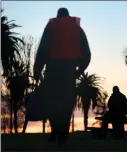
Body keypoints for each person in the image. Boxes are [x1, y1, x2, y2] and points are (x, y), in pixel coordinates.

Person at [33, 8, 91, 145]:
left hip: (53, 70)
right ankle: (63, 132)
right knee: (66, 102)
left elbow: (43, 48)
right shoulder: (77, 28)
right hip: (70, 71)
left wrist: (37, 70)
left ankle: (55, 131)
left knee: (52, 101)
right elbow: (87, 53)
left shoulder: (52, 26)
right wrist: (80, 70)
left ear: (58, 16)